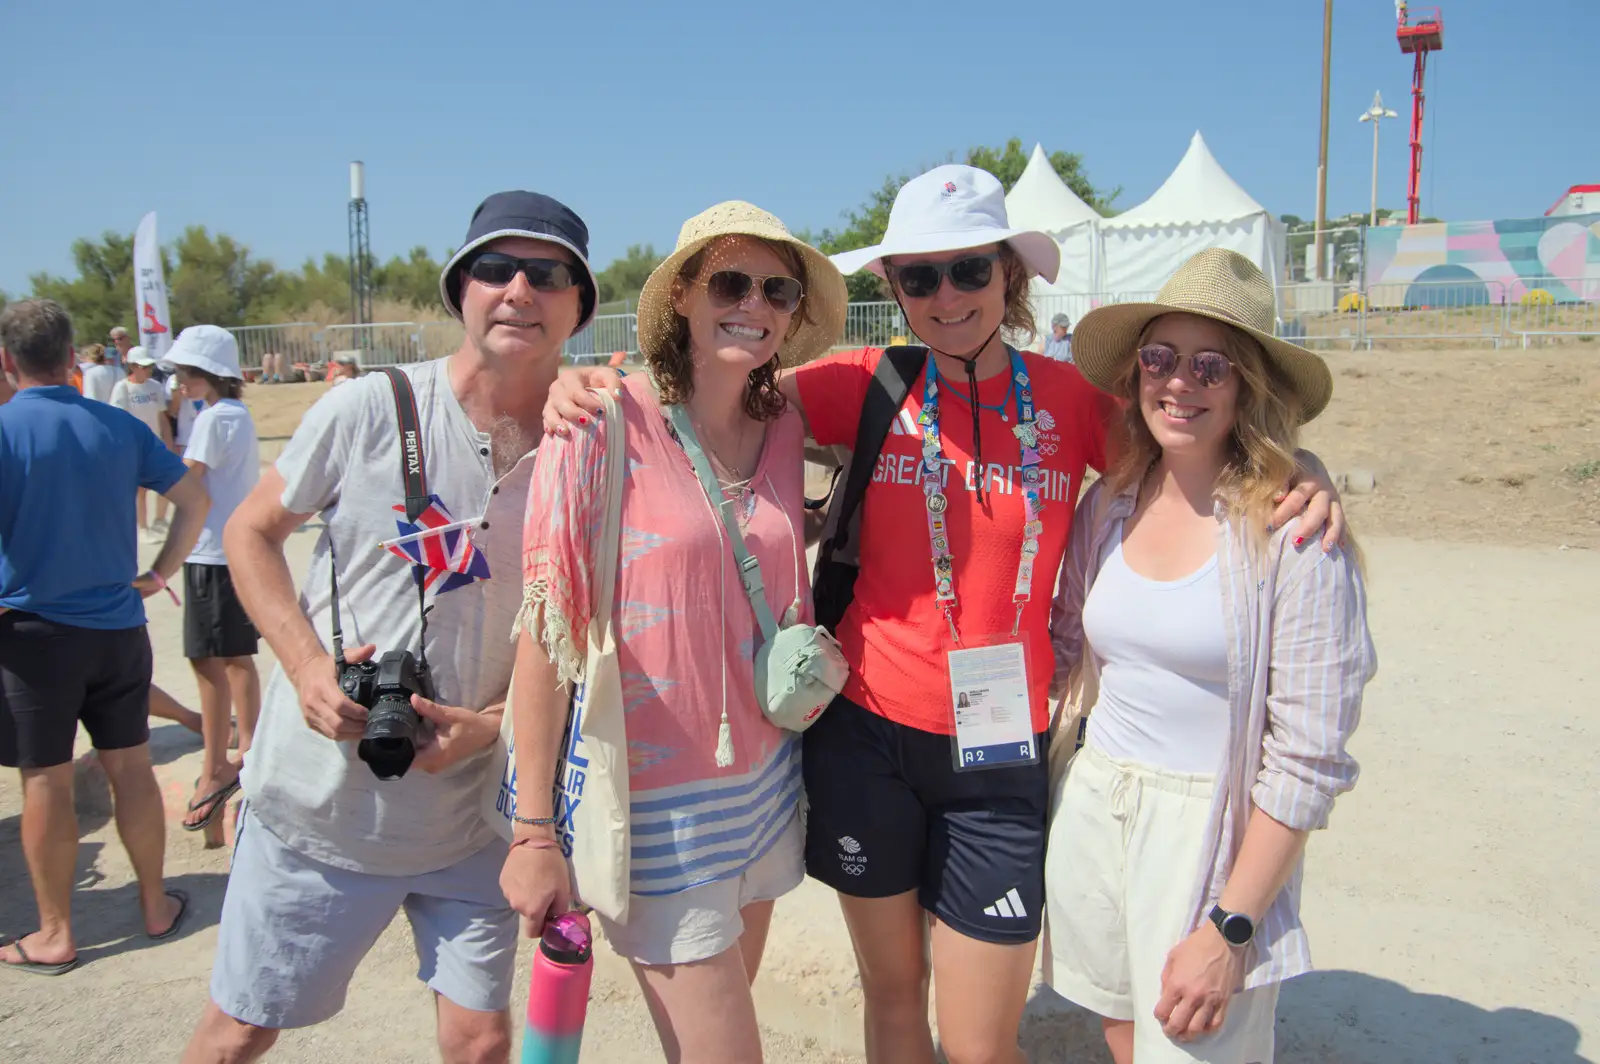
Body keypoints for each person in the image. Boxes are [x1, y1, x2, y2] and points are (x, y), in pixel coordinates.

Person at [542, 166, 1345, 1064]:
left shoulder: (1074, 403)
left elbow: (1198, 429)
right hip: (864, 737)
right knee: (891, 999)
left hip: (1000, 757)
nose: (946, 295)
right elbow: (708, 398)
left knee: (978, 1043)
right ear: (892, 288)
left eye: (969, 269)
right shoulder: (863, 383)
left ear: (1010, 275)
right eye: (918, 276)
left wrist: (1302, 471)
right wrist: (586, 384)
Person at [180, 190, 599, 1064]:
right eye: (495, 268)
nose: (519, 289)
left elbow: (576, 637)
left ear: (577, 306)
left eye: (548, 273)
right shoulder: (367, 409)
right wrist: (304, 668)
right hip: (326, 810)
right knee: (236, 1035)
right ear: (461, 290)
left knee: (482, 1043)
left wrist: (491, 728)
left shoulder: (585, 444)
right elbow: (251, 532)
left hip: (473, 814)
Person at [503, 202, 845, 1064]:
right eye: (730, 282)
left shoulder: (785, 430)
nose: (753, 305)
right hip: (658, 815)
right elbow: (547, 639)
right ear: (683, 297)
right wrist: (534, 834)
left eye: (777, 290)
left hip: (765, 791)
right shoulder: (599, 422)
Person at [1042, 248, 1377, 1063]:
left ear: (1247, 386)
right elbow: (1063, 648)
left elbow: (1307, 761)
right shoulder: (1109, 502)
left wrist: (1232, 927)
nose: (1179, 382)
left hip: (1208, 829)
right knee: (1123, 1029)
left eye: (1210, 365)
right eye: (1158, 358)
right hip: (1096, 802)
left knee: (1196, 1045)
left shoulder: (1295, 534)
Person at [0, 298, 210, 975]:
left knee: (46, 782)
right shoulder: (119, 425)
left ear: (6, 360)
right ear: (72, 358)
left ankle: (56, 931)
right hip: (120, 626)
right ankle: (154, 903)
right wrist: (158, 574)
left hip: (33, 637)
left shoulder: (4, 430)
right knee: (132, 768)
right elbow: (193, 500)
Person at [159, 326, 262, 841]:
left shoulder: (212, 419)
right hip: (229, 551)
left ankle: (216, 764)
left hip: (208, 553)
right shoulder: (234, 416)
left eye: (186, 372)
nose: (179, 380)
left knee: (208, 662)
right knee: (235, 658)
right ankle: (247, 752)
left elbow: (185, 478)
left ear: (207, 375)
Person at [111, 346, 173, 542]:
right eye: (144, 366)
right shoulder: (122, 388)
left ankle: (160, 521)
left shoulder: (155, 386)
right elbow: (118, 419)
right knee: (140, 489)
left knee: (164, 483)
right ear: (133, 366)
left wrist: (168, 441)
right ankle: (143, 527)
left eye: (150, 366)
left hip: (155, 443)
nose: (148, 370)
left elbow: (162, 416)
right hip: (134, 446)